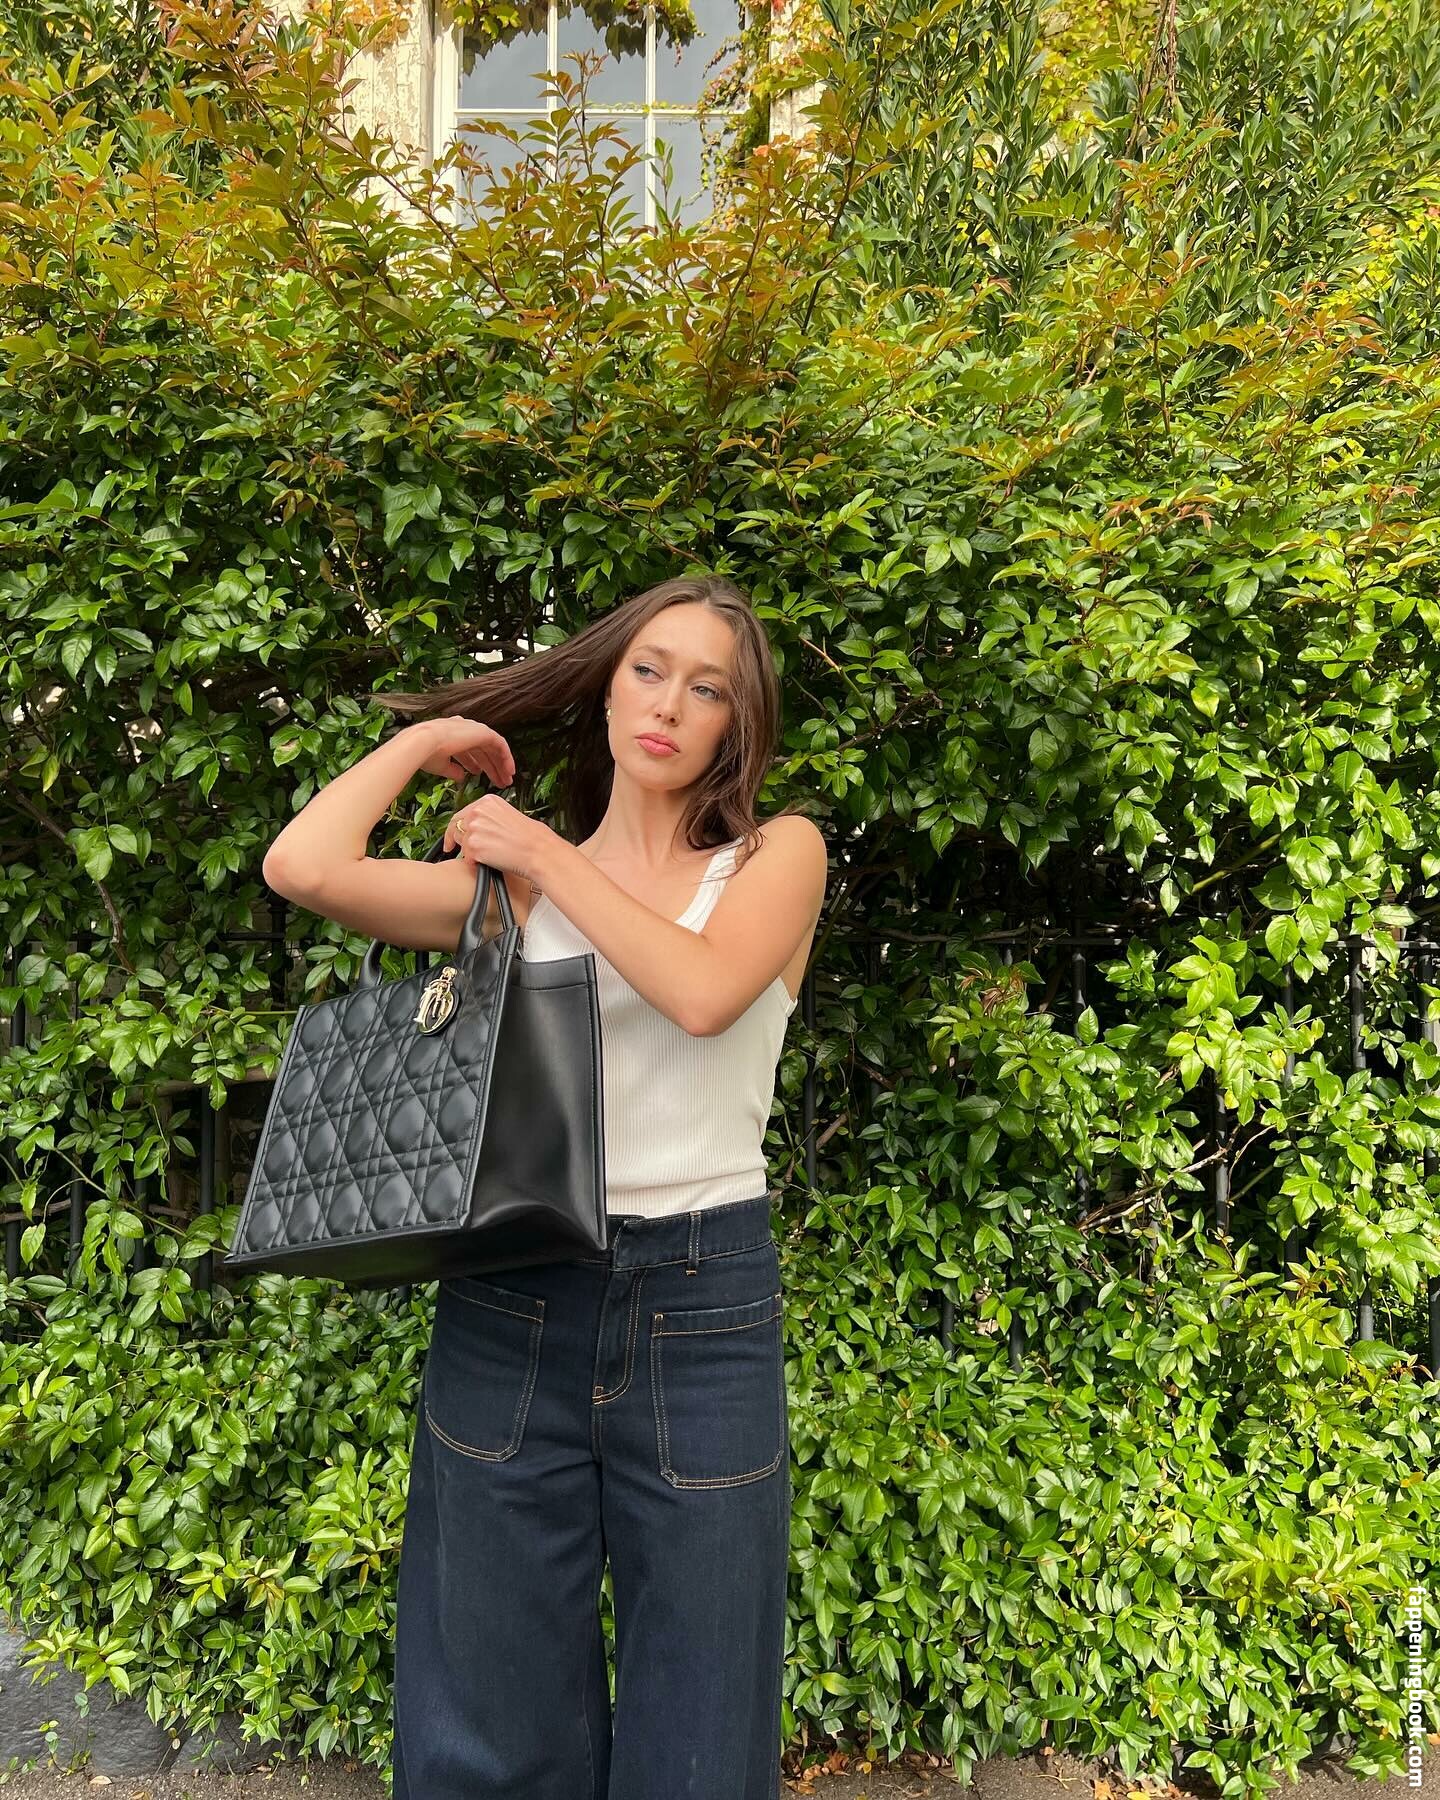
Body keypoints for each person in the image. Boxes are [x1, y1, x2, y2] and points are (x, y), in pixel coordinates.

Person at [260, 572, 828, 1799]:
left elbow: (701, 992)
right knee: (490, 1704)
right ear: (609, 691)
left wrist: (545, 857)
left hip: (704, 1305)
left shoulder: (775, 857)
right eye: (647, 671)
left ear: (738, 724)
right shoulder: (512, 888)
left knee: (704, 1717)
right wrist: (417, 746)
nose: (668, 704)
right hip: (513, 1293)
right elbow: (302, 866)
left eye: (707, 688)